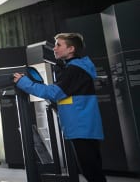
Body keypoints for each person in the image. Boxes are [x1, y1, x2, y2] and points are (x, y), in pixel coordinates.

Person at [13, 33, 106, 182]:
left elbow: (54, 92)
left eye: (58, 45)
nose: (54, 48)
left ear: (71, 49)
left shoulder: (74, 70)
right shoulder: (75, 68)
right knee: (92, 169)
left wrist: (24, 83)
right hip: (83, 125)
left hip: (81, 126)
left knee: (91, 171)